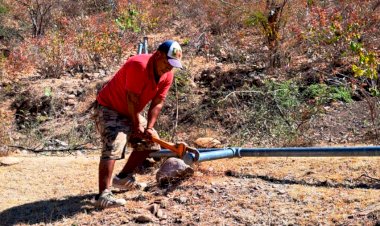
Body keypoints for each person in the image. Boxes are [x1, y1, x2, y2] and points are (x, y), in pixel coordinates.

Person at [93, 40, 183, 208]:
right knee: (115, 143)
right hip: (109, 107)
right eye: (168, 63)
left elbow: (158, 102)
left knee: (150, 142)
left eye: (173, 65)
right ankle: (102, 195)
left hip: (130, 110)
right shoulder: (138, 65)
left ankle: (123, 178)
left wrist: (148, 127)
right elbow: (131, 99)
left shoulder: (167, 75)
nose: (170, 68)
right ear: (158, 55)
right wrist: (136, 124)